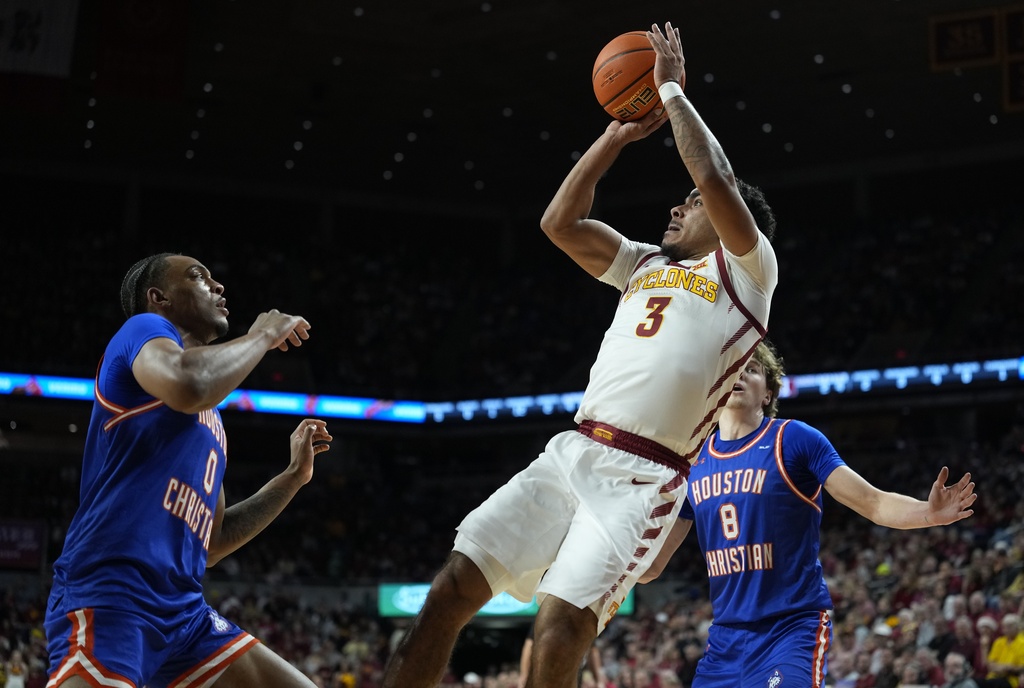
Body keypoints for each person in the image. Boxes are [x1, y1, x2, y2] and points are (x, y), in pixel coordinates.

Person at [383, 21, 779, 688]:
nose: (677, 208)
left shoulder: (749, 272)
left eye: (689, 205)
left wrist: (672, 91)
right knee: (451, 587)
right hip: (572, 452)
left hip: (643, 478)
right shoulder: (645, 262)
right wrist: (615, 137)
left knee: (562, 624)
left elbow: (711, 174)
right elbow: (558, 223)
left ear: (730, 214)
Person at [43, 253, 333, 688]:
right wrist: (262, 336)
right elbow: (186, 383)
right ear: (158, 297)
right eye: (199, 277)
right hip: (112, 595)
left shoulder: (210, 419)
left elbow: (211, 543)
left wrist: (292, 478)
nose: (217, 286)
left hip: (185, 615)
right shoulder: (143, 330)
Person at [639, 340, 977, 687]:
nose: (738, 375)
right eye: (730, 370)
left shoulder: (794, 439)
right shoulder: (693, 464)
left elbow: (872, 502)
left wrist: (929, 513)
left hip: (790, 629)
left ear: (768, 393)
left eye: (751, 369)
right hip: (725, 638)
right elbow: (650, 567)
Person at [980, 613, 1024, 687]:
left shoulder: (1022, 643)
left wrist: (1007, 668)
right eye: (1004, 627)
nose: (1006, 630)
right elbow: (990, 664)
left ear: (1017, 627)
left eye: (1009, 627)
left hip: (1011, 679)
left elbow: (1021, 667)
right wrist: (1005, 667)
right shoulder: (998, 642)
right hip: (993, 676)